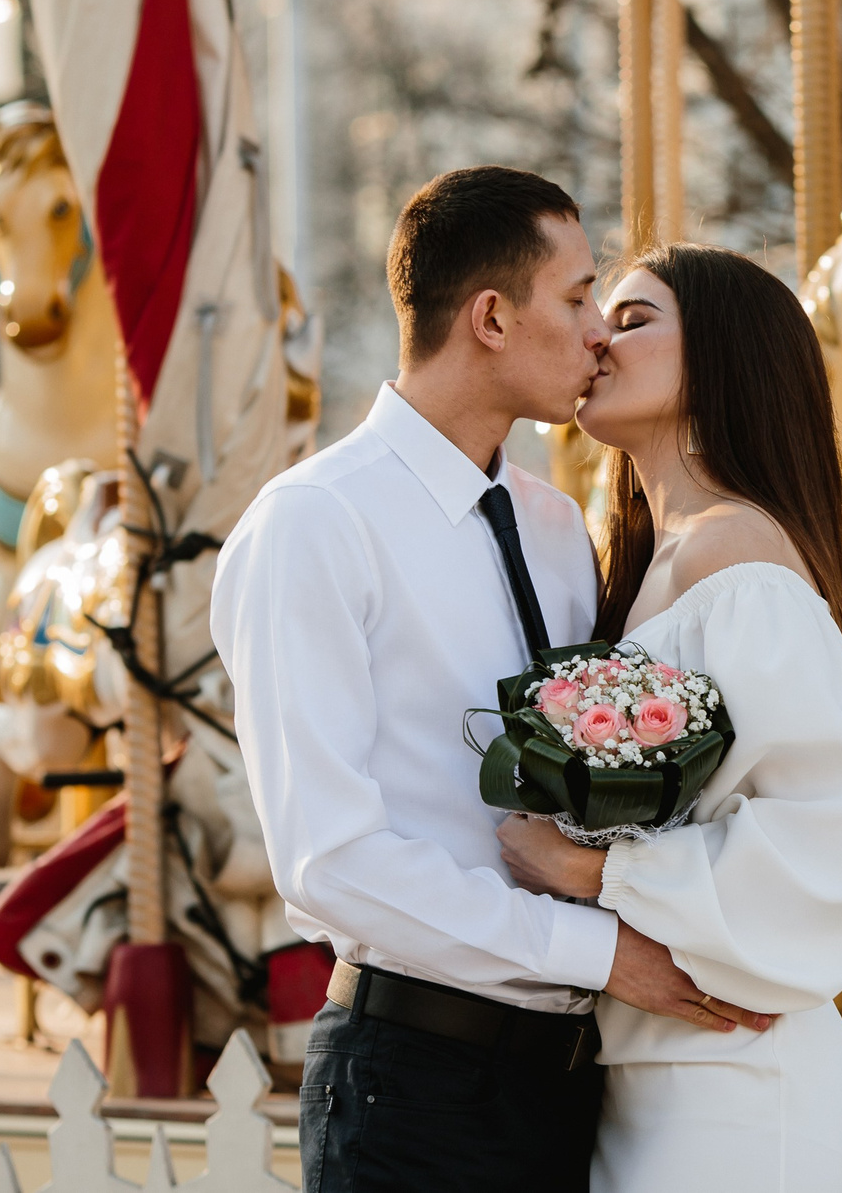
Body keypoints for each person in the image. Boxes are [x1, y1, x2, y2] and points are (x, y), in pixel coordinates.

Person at [214, 169, 773, 1193]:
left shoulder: (558, 528)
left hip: (572, 1082)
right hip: (412, 1082)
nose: (601, 330)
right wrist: (600, 953)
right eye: (576, 297)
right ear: (491, 318)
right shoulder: (314, 524)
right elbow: (331, 863)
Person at [499, 243, 842, 1191]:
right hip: (649, 1068)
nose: (599, 337)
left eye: (634, 320)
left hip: (740, 1076)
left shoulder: (740, 555)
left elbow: (829, 845)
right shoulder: (651, 566)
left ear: (723, 357)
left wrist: (593, 867)